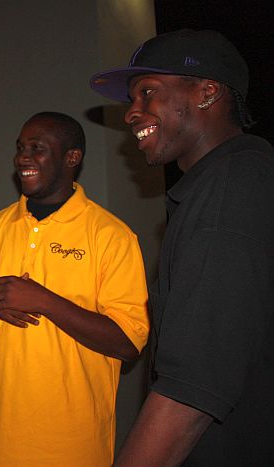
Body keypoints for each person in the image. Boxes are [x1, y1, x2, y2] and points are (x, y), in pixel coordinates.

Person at [90, 29, 274, 466]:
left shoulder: (232, 189)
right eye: (130, 100)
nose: (131, 113)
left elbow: (191, 388)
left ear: (207, 92)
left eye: (147, 93)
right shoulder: (230, 183)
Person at [0, 112, 150, 466]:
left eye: (37, 148)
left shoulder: (112, 236)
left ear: (71, 158)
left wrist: (45, 301)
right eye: (20, 148)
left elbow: (128, 342)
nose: (22, 158)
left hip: (71, 442)